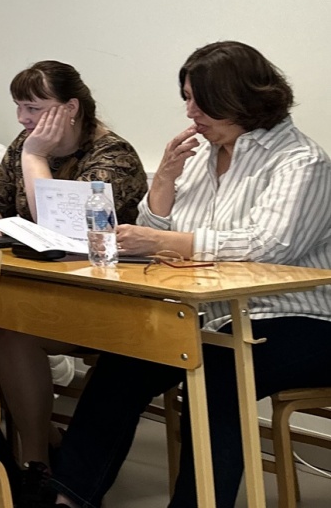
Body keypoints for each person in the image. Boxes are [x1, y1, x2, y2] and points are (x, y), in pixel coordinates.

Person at [41, 42, 331, 508]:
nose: (190, 112)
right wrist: (163, 182)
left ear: (241, 98)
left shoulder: (302, 161)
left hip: (297, 319)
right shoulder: (199, 156)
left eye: (200, 101)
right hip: (210, 314)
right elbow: (157, 236)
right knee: (125, 359)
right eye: (188, 99)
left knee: (220, 374)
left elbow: (271, 247)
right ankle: (70, 498)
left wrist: (164, 241)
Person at [0, 60, 147, 493]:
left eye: (33, 108)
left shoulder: (113, 156)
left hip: (102, 296)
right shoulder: (24, 144)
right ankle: (25, 446)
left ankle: (36, 463)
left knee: (10, 332)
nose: (22, 119)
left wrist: (34, 157)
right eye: (19, 107)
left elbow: (62, 230)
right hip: (38, 289)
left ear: (70, 108)